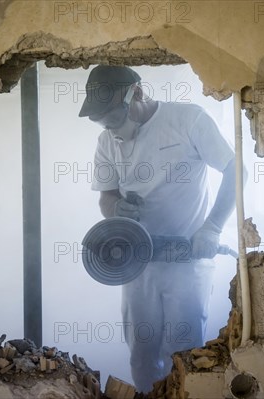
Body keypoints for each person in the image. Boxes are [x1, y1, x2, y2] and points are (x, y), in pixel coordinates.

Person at [79, 65, 240, 392]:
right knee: (141, 354)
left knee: (183, 353)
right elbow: (106, 198)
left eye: (114, 118)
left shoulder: (187, 120)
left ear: (136, 92)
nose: (112, 129)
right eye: (104, 122)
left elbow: (236, 170)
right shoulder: (106, 142)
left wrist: (212, 228)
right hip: (136, 264)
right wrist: (116, 211)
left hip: (187, 261)